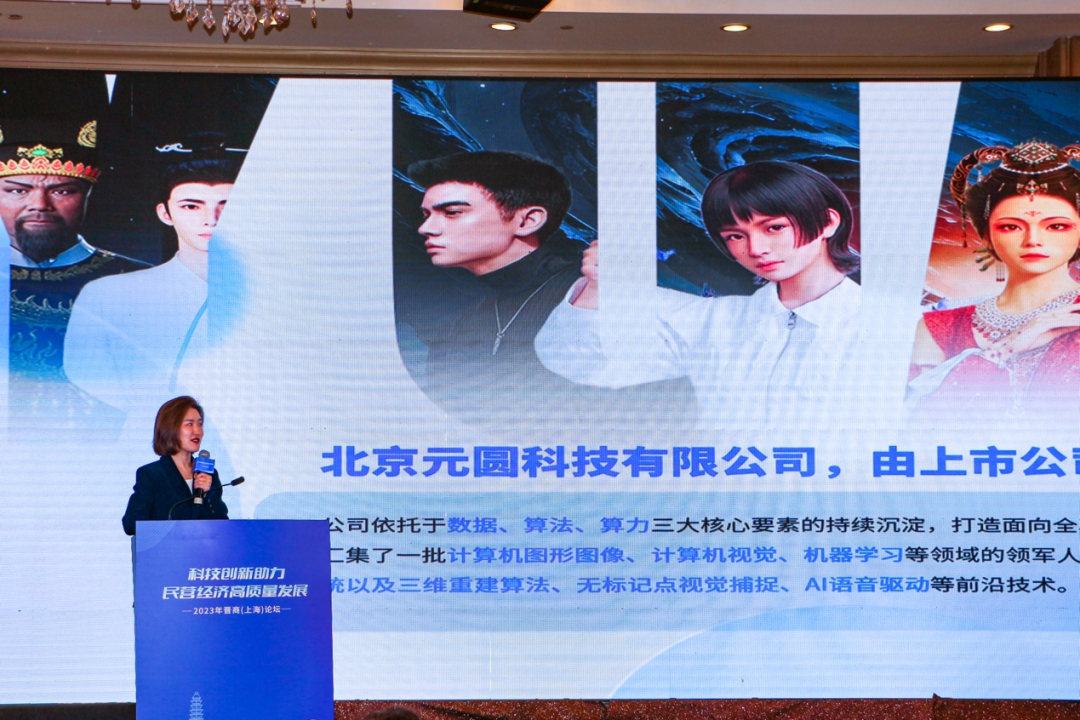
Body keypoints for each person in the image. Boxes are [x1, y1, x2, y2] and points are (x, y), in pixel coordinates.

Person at [535, 160, 864, 430]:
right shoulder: (711, 321)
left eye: (774, 227)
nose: (756, 248)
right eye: (735, 236)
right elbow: (580, 362)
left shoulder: (885, 324)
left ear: (827, 222)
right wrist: (598, 286)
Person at [405, 151, 593, 426]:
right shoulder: (457, 332)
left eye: (452, 212)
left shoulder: (592, 295)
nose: (426, 228)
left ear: (527, 221)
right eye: (427, 214)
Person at [64, 138, 240, 417]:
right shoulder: (106, 294)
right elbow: (86, 374)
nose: (212, 219)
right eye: (191, 206)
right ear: (165, 213)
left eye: (226, 205)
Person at [908, 140, 1080, 422]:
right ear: (987, 236)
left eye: (1056, 226)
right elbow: (918, 427)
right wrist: (1007, 347)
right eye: (1011, 226)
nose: (1033, 240)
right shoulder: (938, 328)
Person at [3, 117, 150, 386]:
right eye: (17, 190)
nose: (39, 204)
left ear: (87, 196)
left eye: (61, 191)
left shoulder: (141, 280)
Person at [122, 396, 228, 535]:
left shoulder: (208, 473)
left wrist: (208, 494)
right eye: (189, 424)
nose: (197, 431)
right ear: (171, 428)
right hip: (168, 548)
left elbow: (223, 524)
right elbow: (131, 523)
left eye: (200, 424)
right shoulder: (152, 475)